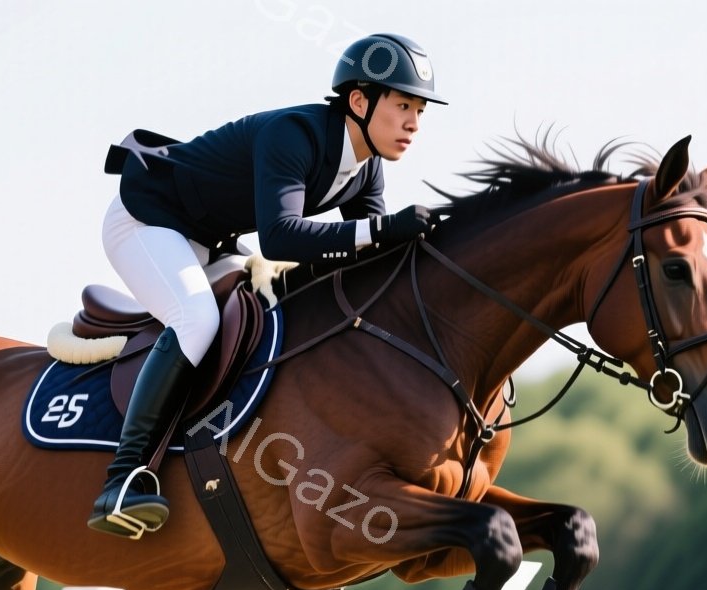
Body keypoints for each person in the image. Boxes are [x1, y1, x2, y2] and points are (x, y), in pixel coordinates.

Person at [89, 32, 447, 538]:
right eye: (404, 104)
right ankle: (122, 480)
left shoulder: (366, 170)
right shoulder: (295, 134)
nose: (414, 122)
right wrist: (383, 231)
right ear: (360, 101)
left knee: (268, 316)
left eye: (421, 111)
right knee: (197, 319)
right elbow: (280, 238)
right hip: (146, 219)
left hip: (208, 238)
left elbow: (372, 254)